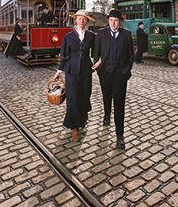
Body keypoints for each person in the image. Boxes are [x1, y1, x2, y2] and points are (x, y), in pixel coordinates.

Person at [92, 9, 135, 149]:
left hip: (120, 74)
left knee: (119, 104)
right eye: (111, 20)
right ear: (108, 20)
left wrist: (126, 71)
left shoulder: (127, 34)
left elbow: (130, 55)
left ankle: (120, 136)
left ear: (120, 21)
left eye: (116, 20)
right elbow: (96, 53)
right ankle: (106, 114)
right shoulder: (101, 33)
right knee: (106, 95)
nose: (113, 23)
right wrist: (99, 69)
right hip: (105, 72)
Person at [54, 10, 96, 141]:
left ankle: (84, 112)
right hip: (71, 71)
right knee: (72, 99)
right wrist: (59, 72)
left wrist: (99, 62)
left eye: (84, 19)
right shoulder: (68, 37)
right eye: (79, 19)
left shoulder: (92, 36)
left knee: (85, 94)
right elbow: (64, 56)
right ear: (75, 20)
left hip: (86, 71)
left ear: (87, 21)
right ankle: (74, 129)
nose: (82, 22)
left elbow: (96, 53)